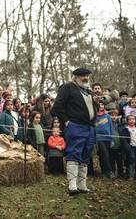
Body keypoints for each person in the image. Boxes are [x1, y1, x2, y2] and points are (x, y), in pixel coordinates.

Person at [51, 67, 97, 195]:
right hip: (75, 126)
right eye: (83, 76)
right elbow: (56, 108)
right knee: (74, 153)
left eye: (87, 75)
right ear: (75, 77)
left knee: (86, 155)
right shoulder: (67, 87)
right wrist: (66, 121)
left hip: (89, 127)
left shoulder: (88, 90)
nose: (86, 78)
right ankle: (72, 186)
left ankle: (82, 185)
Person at [119, 115, 136, 180]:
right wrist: (128, 148)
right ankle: (131, 175)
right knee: (131, 160)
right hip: (131, 147)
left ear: (135, 121)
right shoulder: (125, 129)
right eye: (130, 119)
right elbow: (124, 140)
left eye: (133, 119)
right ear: (127, 121)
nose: (131, 121)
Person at [95, 102, 115, 178]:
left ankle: (104, 172)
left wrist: (112, 138)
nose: (100, 106)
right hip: (99, 138)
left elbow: (111, 127)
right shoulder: (94, 117)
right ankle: (109, 171)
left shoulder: (107, 116)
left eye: (102, 104)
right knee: (104, 153)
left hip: (108, 138)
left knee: (105, 155)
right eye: (99, 105)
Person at [109, 109, 124, 178]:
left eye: (116, 115)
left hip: (119, 146)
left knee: (119, 160)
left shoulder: (120, 125)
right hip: (111, 146)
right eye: (112, 116)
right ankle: (113, 172)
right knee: (111, 160)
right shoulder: (108, 125)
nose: (114, 117)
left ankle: (121, 173)